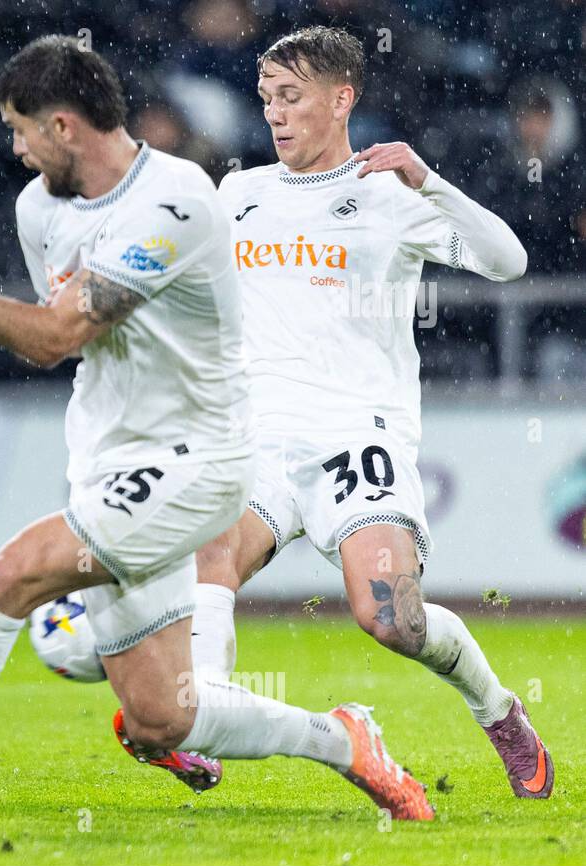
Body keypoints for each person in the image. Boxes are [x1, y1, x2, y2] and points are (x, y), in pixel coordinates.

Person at [0, 36, 433, 833]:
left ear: (63, 126)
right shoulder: (37, 208)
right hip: (109, 460)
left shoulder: (179, 200)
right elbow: (64, 341)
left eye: (21, 130)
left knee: (9, 577)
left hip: (199, 459)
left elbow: (52, 335)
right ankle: (344, 739)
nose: (16, 150)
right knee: (164, 718)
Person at [192, 26, 550, 798]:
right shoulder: (239, 194)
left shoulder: (392, 194)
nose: (276, 116)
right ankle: (203, 725)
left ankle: (500, 712)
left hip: (356, 436)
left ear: (340, 98)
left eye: (291, 98)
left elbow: (509, 261)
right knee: (209, 560)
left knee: (391, 618)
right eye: (266, 100)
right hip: (256, 437)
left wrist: (431, 182)